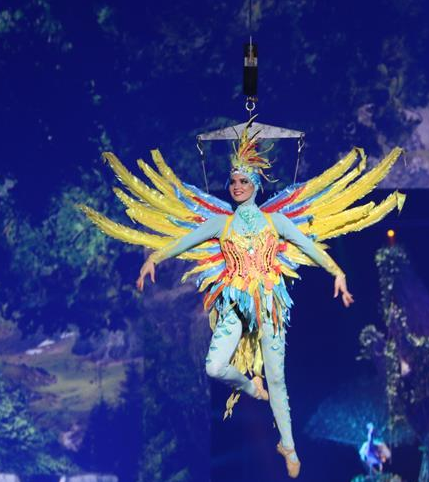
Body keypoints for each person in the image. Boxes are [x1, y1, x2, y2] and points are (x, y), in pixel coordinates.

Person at [80, 119, 405, 478]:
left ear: (256, 186)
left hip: (269, 303)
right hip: (235, 303)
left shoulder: (275, 220)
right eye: (233, 181)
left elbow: (308, 245)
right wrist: (154, 259)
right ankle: (251, 386)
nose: (236, 186)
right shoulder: (221, 224)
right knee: (214, 366)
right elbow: (184, 241)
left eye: (243, 181)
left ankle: (288, 446)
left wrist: (337, 272)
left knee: (278, 378)